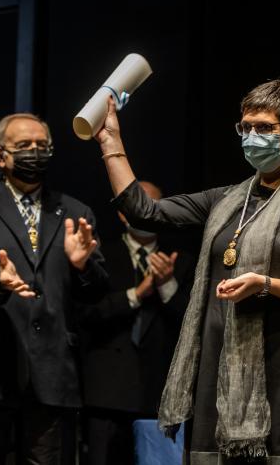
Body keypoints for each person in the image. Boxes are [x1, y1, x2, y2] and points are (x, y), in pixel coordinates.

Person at [95, 79, 280, 462]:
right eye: (245, 127)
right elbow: (144, 211)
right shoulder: (228, 199)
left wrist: (265, 284)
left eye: (264, 128)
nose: (251, 136)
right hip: (218, 364)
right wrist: (110, 142)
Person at [0, 113, 116, 464]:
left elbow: (97, 292)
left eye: (42, 146)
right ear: (0, 155)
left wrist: (82, 265)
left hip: (52, 375)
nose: (34, 152)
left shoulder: (75, 211)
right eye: (23, 146)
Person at [77, 180, 194, 465]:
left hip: (159, 391)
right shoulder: (99, 254)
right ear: (121, 213)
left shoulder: (184, 260)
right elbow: (86, 314)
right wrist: (137, 294)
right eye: (137, 206)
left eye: (153, 207)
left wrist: (167, 286)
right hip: (106, 390)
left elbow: (191, 325)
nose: (145, 213)